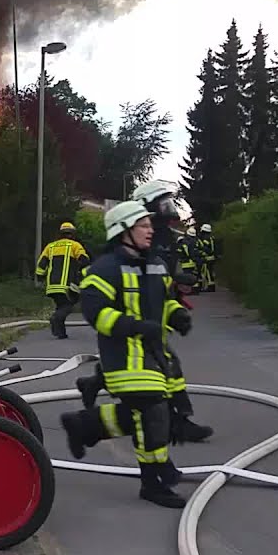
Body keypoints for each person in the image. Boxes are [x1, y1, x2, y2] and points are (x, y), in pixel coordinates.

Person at [60, 200, 194, 508]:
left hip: (153, 355)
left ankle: (84, 425)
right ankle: (154, 481)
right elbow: (96, 313)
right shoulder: (104, 269)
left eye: (149, 225)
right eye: (143, 226)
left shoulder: (155, 264)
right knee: (156, 414)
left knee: (142, 415)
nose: (150, 230)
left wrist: (175, 314)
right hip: (124, 358)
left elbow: (162, 302)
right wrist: (134, 327)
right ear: (123, 231)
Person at [75, 180, 213, 444]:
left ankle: (95, 387)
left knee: (166, 364)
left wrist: (174, 301)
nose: (167, 210)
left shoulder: (161, 236)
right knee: (161, 371)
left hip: (152, 312)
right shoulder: (138, 239)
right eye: (162, 204)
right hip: (133, 318)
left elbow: (161, 271)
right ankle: (175, 423)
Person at [35, 221, 91, 339]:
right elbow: (85, 261)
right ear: (72, 234)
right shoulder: (75, 246)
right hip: (68, 285)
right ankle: (55, 319)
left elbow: (41, 265)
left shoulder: (50, 247)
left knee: (61, 305)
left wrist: (40, 278)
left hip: (52, 285)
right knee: (68, 305)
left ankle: (61, 333)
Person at [196, 223, 218, 291]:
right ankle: (211, 285)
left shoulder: (206, 238)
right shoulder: (211, 238)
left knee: (207, 272)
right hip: (212, 257)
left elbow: (206, 248)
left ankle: (210, 286)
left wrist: (201, 250)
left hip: (208, 258)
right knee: (210, 272)